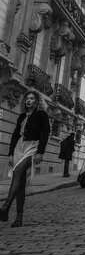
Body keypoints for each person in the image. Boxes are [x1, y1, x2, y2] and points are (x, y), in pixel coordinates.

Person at [0, 89, 50, 228]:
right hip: (19, 147)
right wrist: (10, 153)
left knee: (17, 172)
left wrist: (40, 152)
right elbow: (15, 135)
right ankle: (19, 218)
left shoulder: (42, 115)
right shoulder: (22, 116)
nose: (28, 100)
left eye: (32, 98)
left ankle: (6, 206)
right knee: (20, 184)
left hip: (32, 147)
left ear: (37, 101)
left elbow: (45, 133)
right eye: (27, 98)